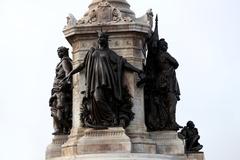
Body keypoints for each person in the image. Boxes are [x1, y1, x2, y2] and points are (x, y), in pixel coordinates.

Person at [65, 31, 143, 128]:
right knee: (97, 99)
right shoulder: (92, 52)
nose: (100, 39)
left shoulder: (109, 53)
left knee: (104, 100)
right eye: (99, 37)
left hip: (107, 81)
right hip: (95, 82)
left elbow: (122, 63)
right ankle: (112, 117)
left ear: (106, 40)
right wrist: (71, 73)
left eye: (103, 38)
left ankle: (112, 118)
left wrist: (138, 70)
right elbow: (83, 65)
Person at [155, 38, 181, 130]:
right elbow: (176, 63)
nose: (166, 47)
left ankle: (169, 122)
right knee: (172, 102)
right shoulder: (165, 55)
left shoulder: (156, 56)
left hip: (161, 81)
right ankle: (172, 122)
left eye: (166, 45)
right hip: (168, 82)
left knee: (166, 103)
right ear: (161, 46)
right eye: (164, 45)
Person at [49, 46, 72, 135]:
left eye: (60, 51)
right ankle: (60, 128)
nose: (59, 53)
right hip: (56, 90)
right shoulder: (62, 61)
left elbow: (67, 72)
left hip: (60, 89)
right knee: (54, 110)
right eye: (58, 51)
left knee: (59, 112)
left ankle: (67, 128)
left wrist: (66, 82)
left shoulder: (65, 61)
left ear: (65, 52)